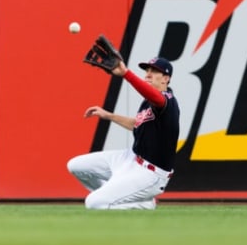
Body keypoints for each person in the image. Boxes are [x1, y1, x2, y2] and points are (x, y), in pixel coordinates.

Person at [67, 57, 180, 210]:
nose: (148, 74)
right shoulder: (149, 102)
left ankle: (144, 204)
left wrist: (126, 73)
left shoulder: (167, 101)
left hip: (150, 174)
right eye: (147, 70)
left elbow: (156, 97)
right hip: (130, 158)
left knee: (93, 203)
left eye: (154, 71)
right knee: (76, 166)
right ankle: (117, 196)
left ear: (166, 79)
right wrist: (109, 116)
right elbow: (137, 124)